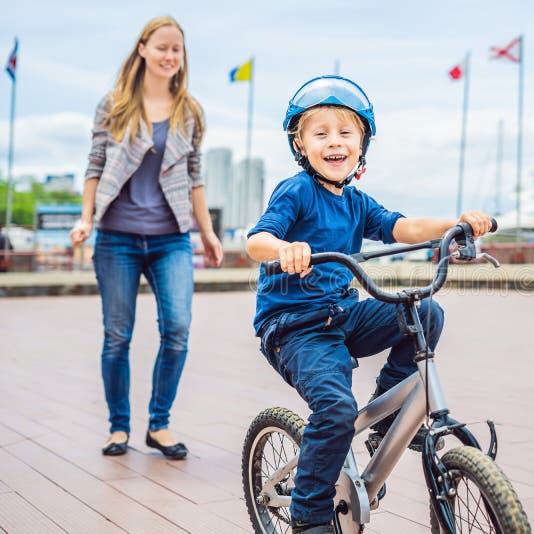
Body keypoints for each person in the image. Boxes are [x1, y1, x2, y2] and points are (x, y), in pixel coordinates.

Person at [245, 75, 492, 534]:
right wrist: (283, 249)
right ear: (300, 145)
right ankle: (309, 517)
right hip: (294, 327)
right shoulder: (296, 191)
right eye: (320, 134)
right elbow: (257, 240)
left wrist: (456, 225)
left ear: (362, 145)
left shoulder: (357, 202)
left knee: (425, 312)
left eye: (346, 133)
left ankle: (388, 412)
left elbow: (404, 227)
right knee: (336, 410)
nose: (334, 142)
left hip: (342, 313)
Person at [69, 16, 222, 460]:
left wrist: (208, 233)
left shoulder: (189, 111)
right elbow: (94, 166)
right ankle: (119, 427)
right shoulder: (114, 105)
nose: (170, 56)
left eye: (177, 49)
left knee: (177, 329)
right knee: (118, 336)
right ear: (142, 49)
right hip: (116, 236)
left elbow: (195, 178)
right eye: (162, 47)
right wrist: (85, 218)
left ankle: (159, 424)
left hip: (170, 238)